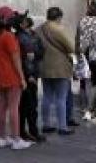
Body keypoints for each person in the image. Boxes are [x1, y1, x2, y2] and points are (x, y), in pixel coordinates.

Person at [0, 7, 32, 150]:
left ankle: (2, 137)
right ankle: (16, 139)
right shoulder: (9, 36)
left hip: (1, 75)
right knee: (14, 108)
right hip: (12, 76)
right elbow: (16, 60)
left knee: (2, 106)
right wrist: (22, 78)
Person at [39, 7, 76, 135]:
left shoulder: (39, 29)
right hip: (60, 67)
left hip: (44, 66)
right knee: (61, 98)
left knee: (47, 96)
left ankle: (46, 124)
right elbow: (71, 47)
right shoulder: (59, 29)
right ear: (59, 17)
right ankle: (62, 126)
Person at [16, 15, 46, 142]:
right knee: (28, 105)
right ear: (21, 24)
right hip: (28, 74)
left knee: (27, 104)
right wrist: (30, 76)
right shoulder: (20, 36)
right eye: (24, 20)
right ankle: (30, 131)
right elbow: (25, 58)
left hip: (32, 71)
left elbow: (40, 51)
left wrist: (36, 54)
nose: (27, 20)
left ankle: (24, 131)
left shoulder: (33, 34)